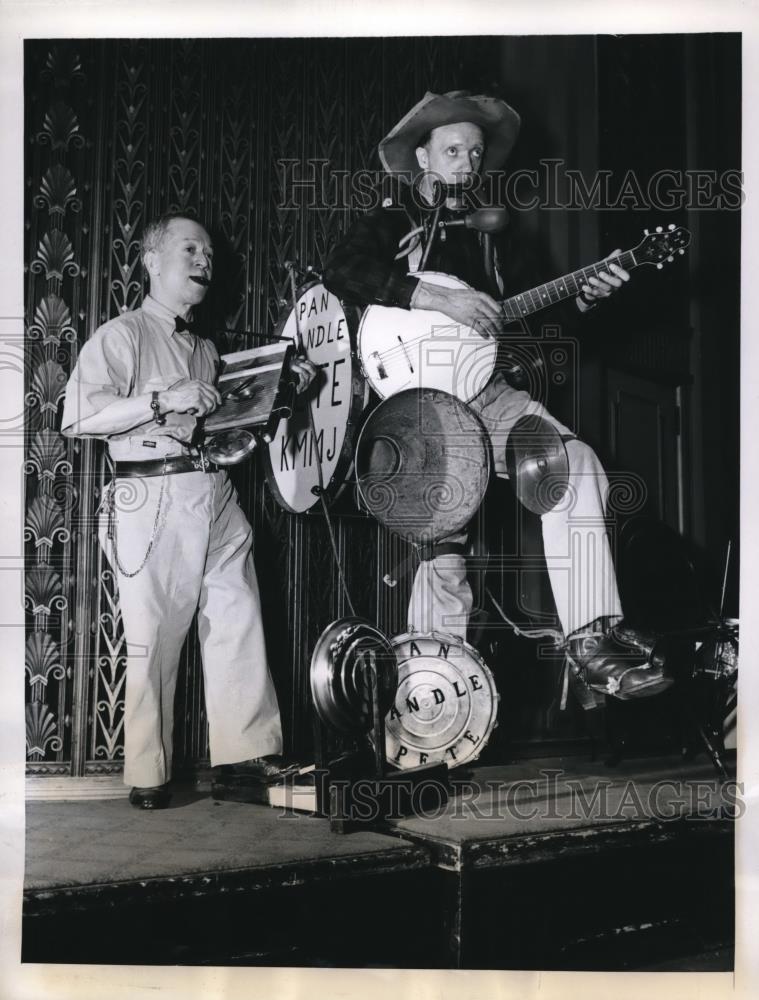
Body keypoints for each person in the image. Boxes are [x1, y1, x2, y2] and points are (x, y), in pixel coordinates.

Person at [323, 90, 671, 705]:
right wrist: (438, 299)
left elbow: (536, 339)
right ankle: (432, 716)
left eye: (475, 153)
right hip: (418, 412)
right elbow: (341, 271)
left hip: (487, 393)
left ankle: (591, 638)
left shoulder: (498, 240)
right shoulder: (389, 221)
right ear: (424, 158)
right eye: (452, 150)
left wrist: (584, 302)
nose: (466, 163)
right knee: (443, 562)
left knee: (575, 461)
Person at [62, 213, 316, 809]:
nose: (205, 260)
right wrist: (158, 398)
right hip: (150, 499)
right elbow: (76, 416)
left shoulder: (205, 348)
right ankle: (147, 771)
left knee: (239, 617)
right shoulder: (121, 335)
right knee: (154, 637)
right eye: (190, 249)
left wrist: (283, 388)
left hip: (214, 496)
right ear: (151, 261)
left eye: (209, 253)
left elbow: (224, 429)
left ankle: (246, 758)